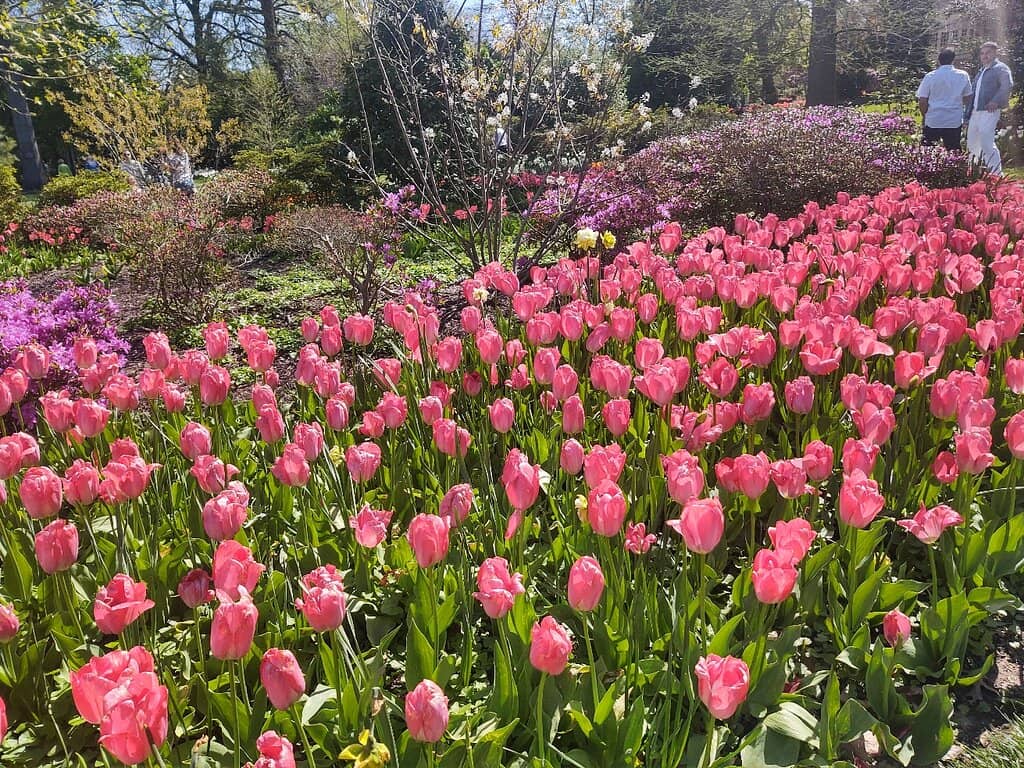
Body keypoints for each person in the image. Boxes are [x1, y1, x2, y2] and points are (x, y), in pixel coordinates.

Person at [966, 41, 1014, 175]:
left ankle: (996, 175)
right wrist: (967, 114)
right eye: (982, 53)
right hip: (975, 112)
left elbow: (1007, 85)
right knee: (972, 143)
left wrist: (996, 101)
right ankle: (974, 173)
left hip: (989, 111)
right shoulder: (981, 71)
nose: (985, 56)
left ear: (995, 53)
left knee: (986, 141)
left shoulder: (1001, 68)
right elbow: (974, 94)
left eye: (988, 53)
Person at [916, 48, 972, 151]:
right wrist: (958, 104)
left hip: (934, 118)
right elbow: (968, 97)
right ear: (953, 60)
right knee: (953, 150)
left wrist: (925, 115)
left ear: (938, 60)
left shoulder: (930, 76)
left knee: (928, 152)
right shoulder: (963, 75)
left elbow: (922, 100)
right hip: (953, 119)